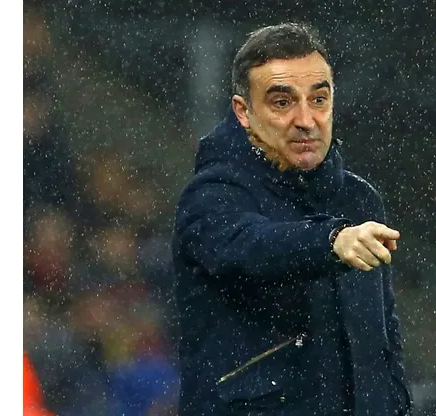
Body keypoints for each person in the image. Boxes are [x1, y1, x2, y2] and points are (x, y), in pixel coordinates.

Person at [172, 23, 412, 415]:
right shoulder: (211, 196)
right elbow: (250, 245)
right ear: (244, 112)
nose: (306, 119)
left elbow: (384, 348)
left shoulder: (359, 199)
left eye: (319, 99)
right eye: (282, 102)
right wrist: (330, 241)